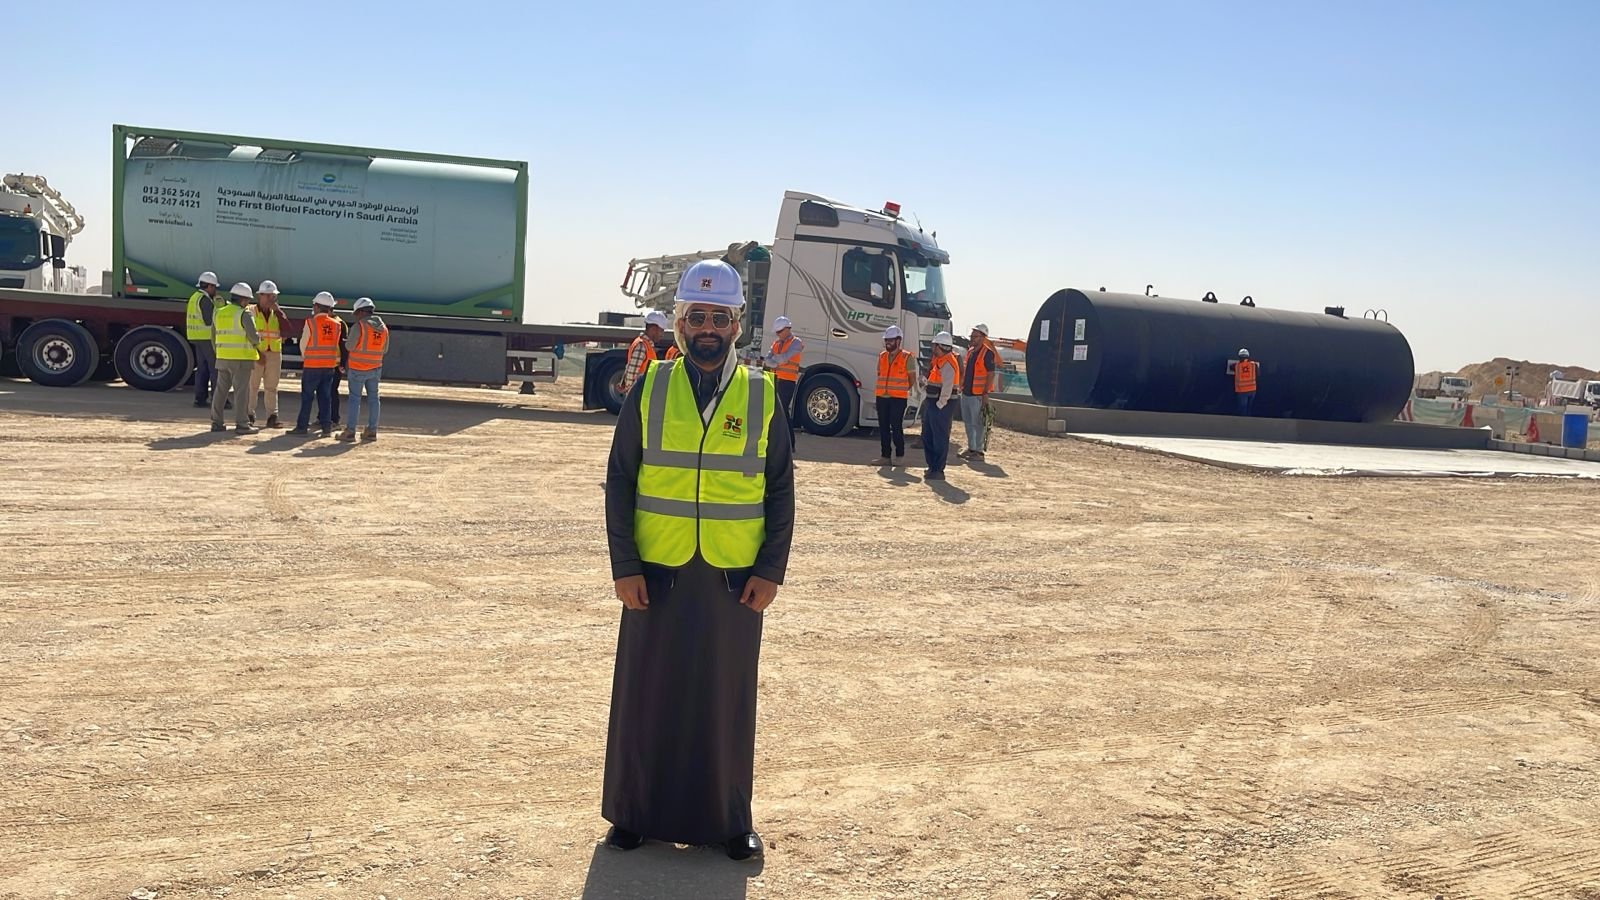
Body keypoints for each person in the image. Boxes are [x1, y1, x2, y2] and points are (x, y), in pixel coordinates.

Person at [602, 258, 794, 862]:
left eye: (719, 317)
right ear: (679, 323)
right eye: (696, 317)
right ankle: (633, 815)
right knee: (646, 693)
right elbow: (621, 479)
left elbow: (780, 488)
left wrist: (770, 570)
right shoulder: (651, 386)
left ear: (737, 324)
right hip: (657, 570)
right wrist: (624, 565)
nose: (707, 328)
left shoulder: (762, 393)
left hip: (733, 577)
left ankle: (730, 822)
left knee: (724, 700)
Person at [288, 293, 342, 437]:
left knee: (307, 397)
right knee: (325, 398)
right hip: (329, 366)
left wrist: (307, 357)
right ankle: (326, 427)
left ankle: (302, 427)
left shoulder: (311, 323)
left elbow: (303, 344)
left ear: (316, 307)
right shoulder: (337, 325)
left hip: (312, 366)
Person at [210, 283, 260, 434]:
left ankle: (216, 422)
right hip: (241, 359)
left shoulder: (219, 312)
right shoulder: (243, 314)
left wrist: (219, 352)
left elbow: (213, 336)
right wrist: (259, 340)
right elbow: (253, 337)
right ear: (243, 300)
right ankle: (242, 424)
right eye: (248, 300)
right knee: (241, 392)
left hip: (223, 358)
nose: (249, 303)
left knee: (220, 391)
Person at [340, 298, 389, 442]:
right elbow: (385, 349)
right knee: (374, 399)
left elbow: (349, 346)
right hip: (375, 368)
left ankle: (350, 431)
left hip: (358, 368)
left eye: (356, 313)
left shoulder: (359, 326)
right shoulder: (383, 328)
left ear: (361, 312)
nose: (355, 316)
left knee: (355, 399)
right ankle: (372, 431)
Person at [871, 325, 917, 465]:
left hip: (898, 398)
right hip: (882, 397)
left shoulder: (907, 357)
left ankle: (899, 455)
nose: (888, 343)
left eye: (890, 340)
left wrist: (901, 389)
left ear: (898, 340)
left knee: (896, 427)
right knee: (883, 427)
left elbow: (912, 379)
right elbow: (880, 374)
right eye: (886, 340)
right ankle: (885, 457)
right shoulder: (882, 356)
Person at [245, 280, 286, 428]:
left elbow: (288, 330)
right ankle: (248, 415)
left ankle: (272, 417)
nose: (271, 299)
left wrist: (279, 312)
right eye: (268, 296)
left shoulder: (277, 313)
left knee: (272, 387)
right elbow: (247, 334)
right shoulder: (250, 311)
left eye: (273, 296)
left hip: (274, 353)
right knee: (252, 386)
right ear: (259, 296)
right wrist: (257, 353)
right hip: (255, 353)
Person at [921, 331, 961, 481]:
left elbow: (948, 387)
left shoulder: (948, 362)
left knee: (939, 437)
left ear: (940, 346)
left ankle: (938, 469)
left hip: (941, 405)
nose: (932, 348)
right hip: (934, 402)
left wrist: (940, 404)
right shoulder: (940, 361)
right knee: (928, 435)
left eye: (934, 345)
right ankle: (932, 467)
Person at [959, 323, 1001, 462]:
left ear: (983, 338)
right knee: (968, 422)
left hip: (978, 395)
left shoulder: (988, 353)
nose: (972, 338)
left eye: (975, 336)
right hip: (966, 392)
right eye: (972, 336)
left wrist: (985, 393)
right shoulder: (970, 352)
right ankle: (971, 448)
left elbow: (990, 374)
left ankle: (979, 451)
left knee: (978, 424)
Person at [761, 316, 804, 447]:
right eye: (777, 332)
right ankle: (781, 443)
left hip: (788, 382)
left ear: (787, 329)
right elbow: (767, 360)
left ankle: (789, 443)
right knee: (777, 411)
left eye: (779, 331)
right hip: (775, 380)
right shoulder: (776, 343)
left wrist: (775, 360)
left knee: (782, 411)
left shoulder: (796, 342)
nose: (778, 334)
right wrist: (776, 361)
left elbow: (783, 358)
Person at [186, 271, 220, 408]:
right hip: (207, 338)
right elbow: (208, 321)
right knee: (215, 368)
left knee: (202, 369)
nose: (215, 290)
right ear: (210, 286)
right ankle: (218, 400)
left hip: (196, 337)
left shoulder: (194, 297)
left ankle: (200, 399)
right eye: (214, 287)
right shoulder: (205, 300)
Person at [619, 310, 670, 396]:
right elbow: (632, 373)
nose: (662, 334)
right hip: (639, 395)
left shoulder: (646, 345)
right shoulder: (642, 345)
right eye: (661, 330)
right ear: (653, 329)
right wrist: (631, 396)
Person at [1234, 348, 1258, 416]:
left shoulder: (1237, 365)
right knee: (1249, 408)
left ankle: (1243, 421)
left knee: (1243, 408)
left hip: (1242, 391)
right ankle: (1248, 420)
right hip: (1252, 390)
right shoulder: (1254, 365)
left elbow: (1231, 367)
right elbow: (1258, 373)